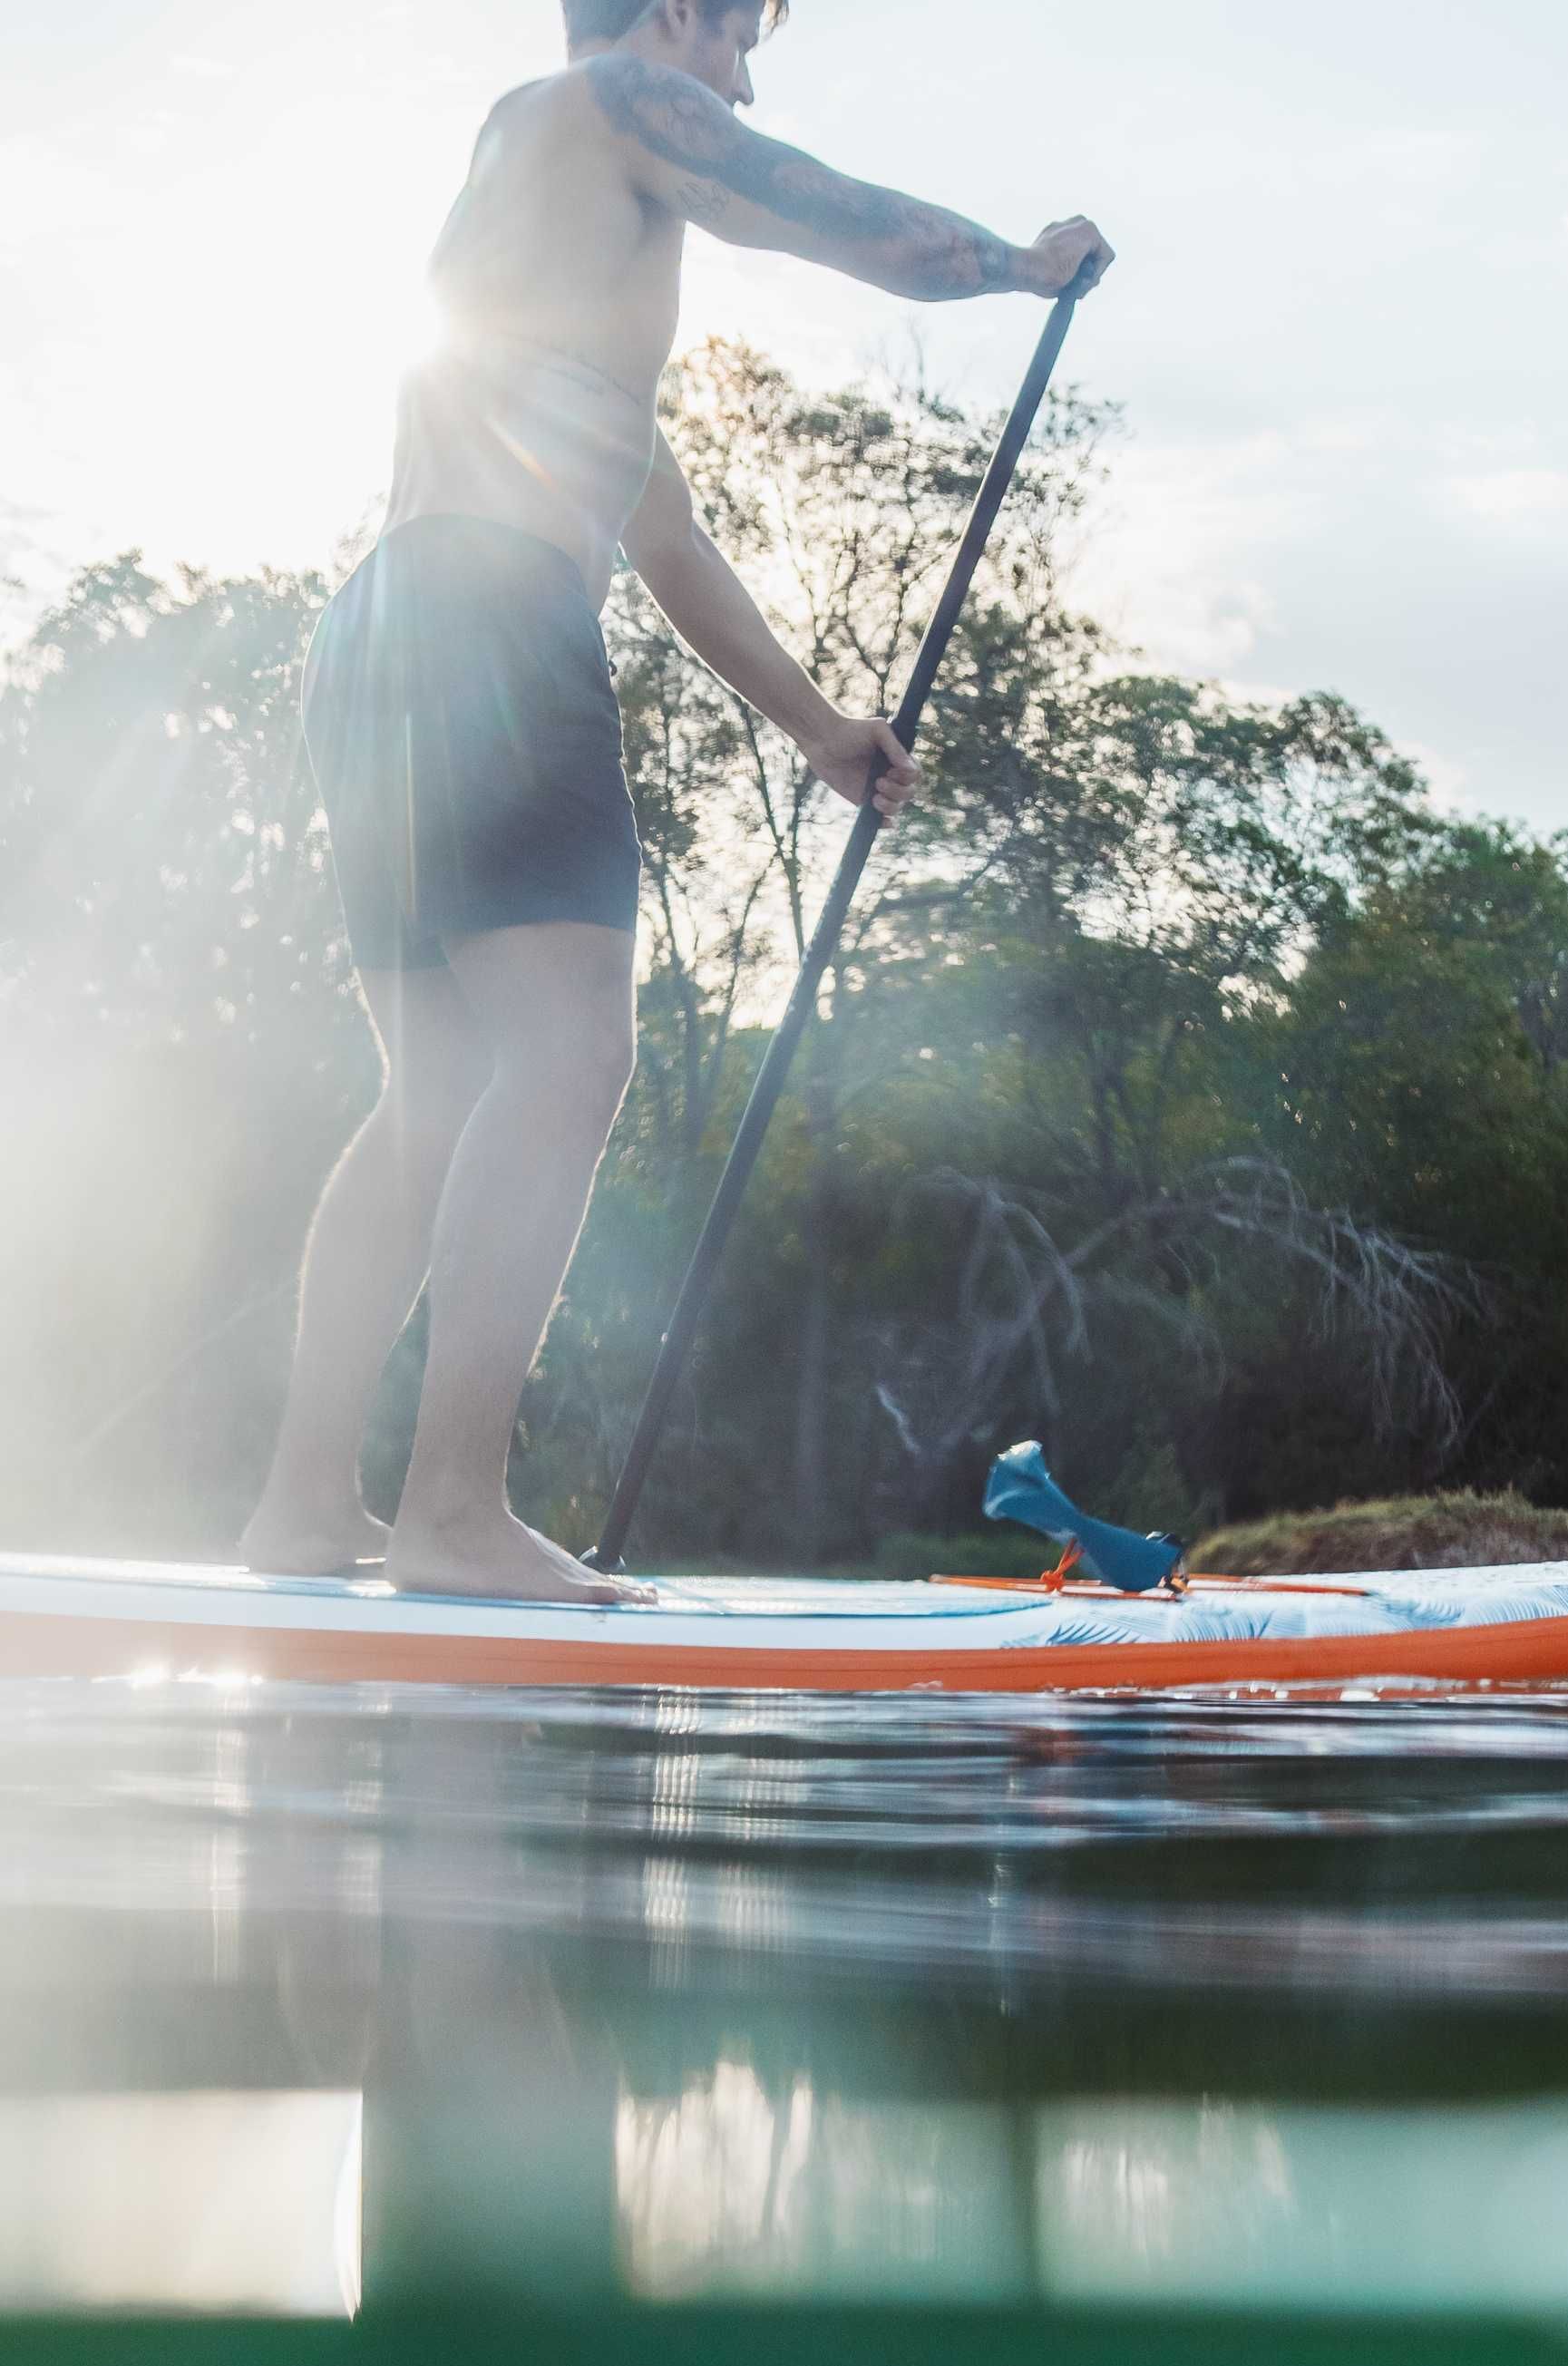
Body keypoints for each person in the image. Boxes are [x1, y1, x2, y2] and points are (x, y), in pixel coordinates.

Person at [241, 0, 1114, 1603]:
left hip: (384, 628)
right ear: (671, 16)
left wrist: (817, 728)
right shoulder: (609, 99)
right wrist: (1014, 261)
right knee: (573, 1049)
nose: (745, 74)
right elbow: (815, 202)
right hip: (488, 617)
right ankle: (449, 1511)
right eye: (737, 39)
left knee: (434, 1089)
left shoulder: (537, 242)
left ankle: (306, 1509)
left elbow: (662, 530)